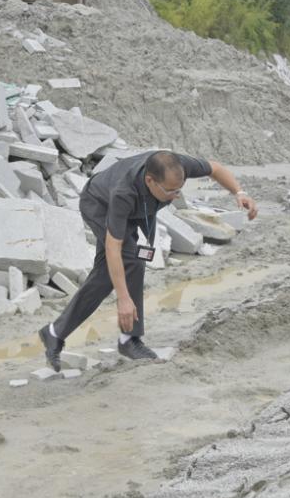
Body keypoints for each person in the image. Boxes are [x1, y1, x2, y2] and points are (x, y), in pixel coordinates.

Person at [38, 150, 258, 369]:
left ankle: (54, 333)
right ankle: (129, 339)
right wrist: (124, 300)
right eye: (170, 191)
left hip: (135, 211)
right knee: (131, 260)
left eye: (179, 189)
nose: (176, 195)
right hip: (99, 205)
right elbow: (114, 247)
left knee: (107, 276)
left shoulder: (175, 166)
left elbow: (215, 168)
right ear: (150, 180)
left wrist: (239, 192)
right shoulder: (124, 192)